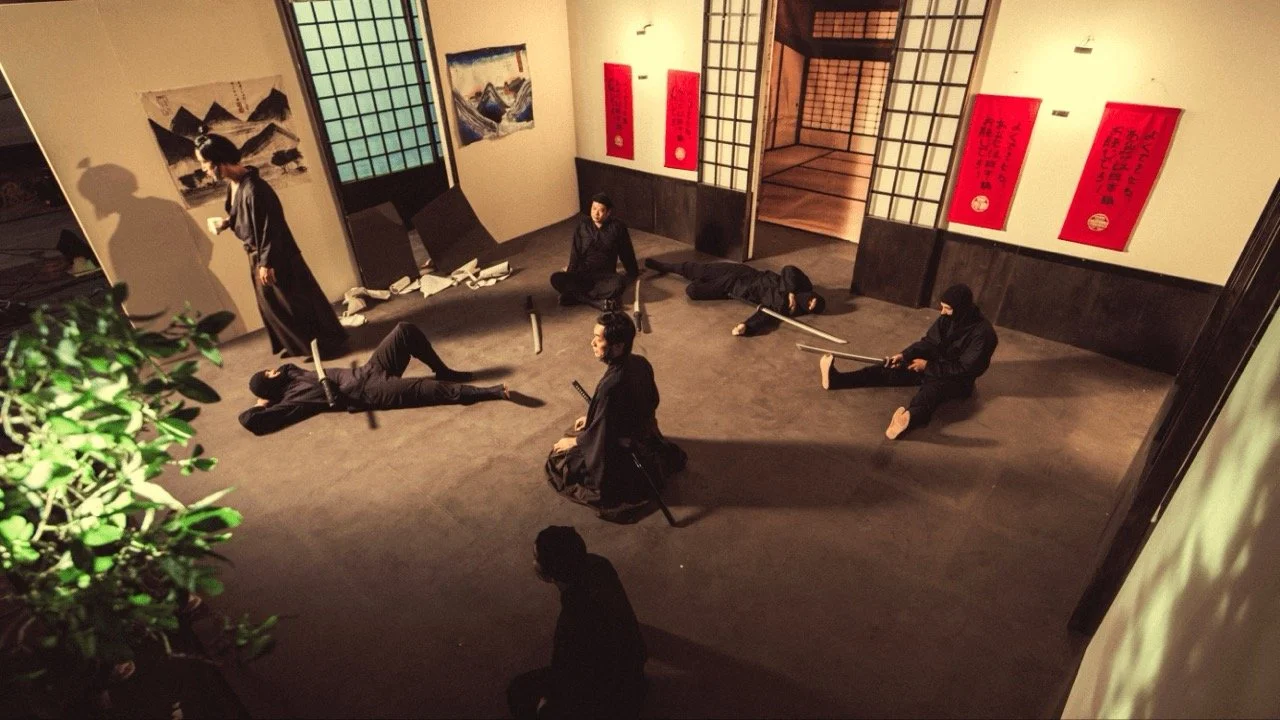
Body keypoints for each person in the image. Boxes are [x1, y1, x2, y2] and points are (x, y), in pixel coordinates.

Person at [198, 131, 346, 358]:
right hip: (257, 254)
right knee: (273, 306)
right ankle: (297, 346)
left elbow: (271, 227)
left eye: (205, 163)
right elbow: (246, 216)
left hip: (277, 254)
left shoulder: (256, 187)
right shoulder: (234, 186)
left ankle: (324, 347)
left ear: (219, 161)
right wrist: (227, 222)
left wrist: (267, 263)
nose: (204, 170)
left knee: (296, 304)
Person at [239, 321, 508, 435]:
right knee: (427, 389)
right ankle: (486, 392)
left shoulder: (292, 374)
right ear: (270, 386)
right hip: (370, 392)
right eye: (269, 374)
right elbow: (250, 421)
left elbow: (286, 367)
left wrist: (267, 390)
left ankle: (443, 369)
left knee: (404, 331)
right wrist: (261, 403)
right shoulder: (294, 398)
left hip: (369, 369)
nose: (274, 370)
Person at [545, 312, 685, 522]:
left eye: (599, 339)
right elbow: (648, 403)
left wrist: (576, 442)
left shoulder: (610, 387)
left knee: (559, 460)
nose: (592, 343)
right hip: (641, 433)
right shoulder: (640, 362)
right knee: (582, 427)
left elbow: (602, 434)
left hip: (622, 447)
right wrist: (595, 414)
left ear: (618, 346)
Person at [820, 284, 997, 439]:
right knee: (888, 369)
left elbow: (966, 369)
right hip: (932, 362)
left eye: (947, 308)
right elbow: (929, 342)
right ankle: (838, 380)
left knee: (931, 392)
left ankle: (908, 418)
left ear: (961, 309)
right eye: (942, 307)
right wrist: (905, 355)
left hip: (958, 379)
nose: (942, 312)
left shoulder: (983, 334)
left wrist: (928, 367)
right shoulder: (948, 318)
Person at [507, 526, 647, 719]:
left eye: (535, 557)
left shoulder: (571, 624)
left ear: (548, 575)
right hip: (634, 668)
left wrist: (546, 702)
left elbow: (565, 675)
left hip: (612, 701)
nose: (533, 561)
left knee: (518, 691)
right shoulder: (599, 563)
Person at [644, 258, 826, 336]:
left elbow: (764, 316)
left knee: (693, 291)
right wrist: (791, 292)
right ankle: (664, 266)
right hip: (742, 272)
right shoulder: (803, 286)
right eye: (812, 298)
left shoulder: (784, 309)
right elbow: (789, 269)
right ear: (812, 294)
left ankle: (687, 275)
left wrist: (745, 327)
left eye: (810, 306)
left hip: (733, 288)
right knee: (697, 269)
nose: (808, 301)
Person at [550, 193, 639, 310]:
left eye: (601, 210)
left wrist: (633, 271)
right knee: (556, 278)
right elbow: (575, 253)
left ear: (608, 212)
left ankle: (578, 296)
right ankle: (595, 302)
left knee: (619, 285)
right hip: (584, 273)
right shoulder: (582, 226)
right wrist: (570, 273)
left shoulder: (618, 227)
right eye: (594, 208)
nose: (596, 213)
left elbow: (626, 252)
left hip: (605, 275)